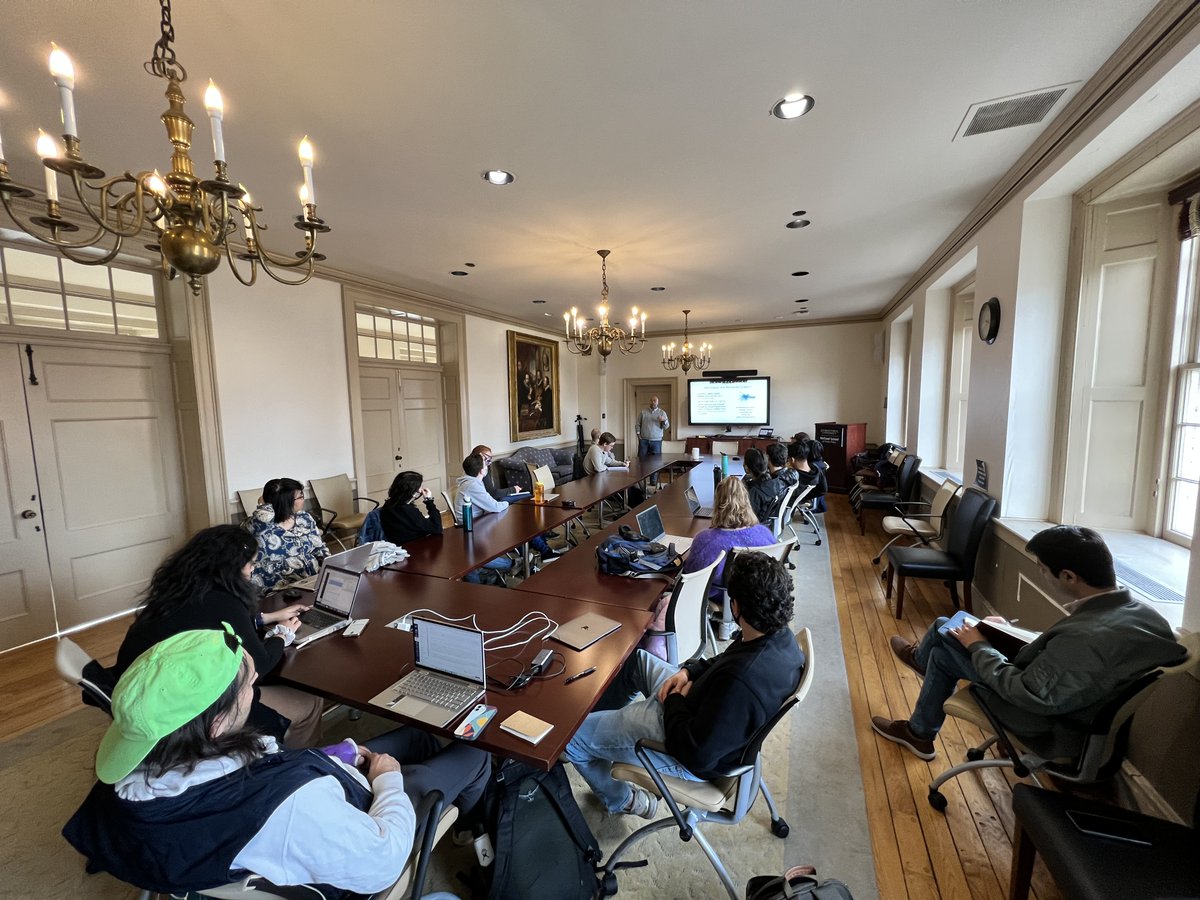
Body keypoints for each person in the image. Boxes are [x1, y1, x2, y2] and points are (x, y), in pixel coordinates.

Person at [64, 628, 490, 897]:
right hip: (362, 820)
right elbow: (381, 863)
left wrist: (327, 758)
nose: (255, 686)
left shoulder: (130, 777)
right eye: (249, 686)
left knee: (417, 736)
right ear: (217, 724)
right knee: (477, 749)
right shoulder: (291, 809)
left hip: (301, 803)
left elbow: (254, 776)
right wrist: (388, 782)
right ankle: (470, 825)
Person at [872, 526, 1186, 761]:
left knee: (943, 649)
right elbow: (1065, 659)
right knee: (948, 625)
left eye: (1043, 570)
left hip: (1045, 723)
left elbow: (1026, 693)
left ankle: (920, 723)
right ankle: (920, 671)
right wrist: (1006, 631)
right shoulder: (1139, 613)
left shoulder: (1086, 639)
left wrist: (980, 646)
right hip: (1061, 694)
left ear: (1068, 576)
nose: (1041, 575)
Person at [563, 552, 803, 816]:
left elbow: (696, 754)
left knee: (570, 739)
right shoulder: (776, 635)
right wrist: (689, 672)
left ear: (735, 607)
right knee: (637, 660)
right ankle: (599, 724)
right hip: (693, 706)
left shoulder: (741, 681)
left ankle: (624, 800)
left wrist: (674, 700)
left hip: (680, 738)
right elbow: (724, 660)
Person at [113, 525, 323, 747]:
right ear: (234, 567)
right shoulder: (225, 601)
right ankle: (295, 760)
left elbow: (206, 620)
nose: (252, 571)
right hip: (186, 718)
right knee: (310, 702)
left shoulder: (181, 589)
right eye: (251, 564)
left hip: (138, 696)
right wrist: (281, 634)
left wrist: (265, 618)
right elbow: (259, 666)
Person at [470, 444, 564, 559]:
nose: (489, 461)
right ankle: (540, 545)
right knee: (525, 513)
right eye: (487, 458)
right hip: (491, 506)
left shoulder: (477, 473)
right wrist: (512, 490)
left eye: (490, 458)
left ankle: (540, 541)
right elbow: (493, 495)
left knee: (529, 502)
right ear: (479, 456)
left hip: (491, 503)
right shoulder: (476, 476)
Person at [683, 477, 775, 591]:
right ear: (747, 501)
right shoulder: (764, 533)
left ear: (718, 505)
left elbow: (690, 573)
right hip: (758, 593)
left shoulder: (705, 540)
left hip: (720, 594)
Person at [247, 478, 328, 592]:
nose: (303, 499)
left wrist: (331, 565)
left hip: (308, 582)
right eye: (300, 496)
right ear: (286, 501)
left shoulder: (305, 518)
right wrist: (264, 503)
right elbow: (261, 513)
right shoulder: (261, 524)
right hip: (275, 589)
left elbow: (319, 548)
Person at [454, 453, 518, 584]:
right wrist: (508, 503)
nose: (487, 466)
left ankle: (515, 563)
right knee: (511, 529)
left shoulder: (472, 481)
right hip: (471, 528)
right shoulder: (473, 485)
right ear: (482, 471)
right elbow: (494, 506)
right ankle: (513, 564)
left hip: (478, 522)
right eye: (485, 464)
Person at [378, 470, 443, 545]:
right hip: (412, 546)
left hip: (397, 543)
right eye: (420, 487)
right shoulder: (408, 510)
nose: (421, 490)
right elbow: (437, 528)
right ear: (413, 491)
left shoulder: (389, 503)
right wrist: (429, 500)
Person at [742, 447, 787, 524]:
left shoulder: (756, 491)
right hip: (768, 523)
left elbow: (745, 517)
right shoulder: (773, 481)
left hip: (754, 525)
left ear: (746, 467)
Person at [636, 396, 670, 485]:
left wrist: (664, 420)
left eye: (655, 401)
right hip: (644, 440)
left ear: (658, 402)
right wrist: (639, 436)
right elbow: (637, 424)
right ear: (649, 401)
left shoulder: (662, 413)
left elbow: (666, 427)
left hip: (656, 441)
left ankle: (653, 481)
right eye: (651, 400)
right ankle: (641, 481)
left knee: (655, 463)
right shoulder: (643, 412)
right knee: (642, 461)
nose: (653, 402)